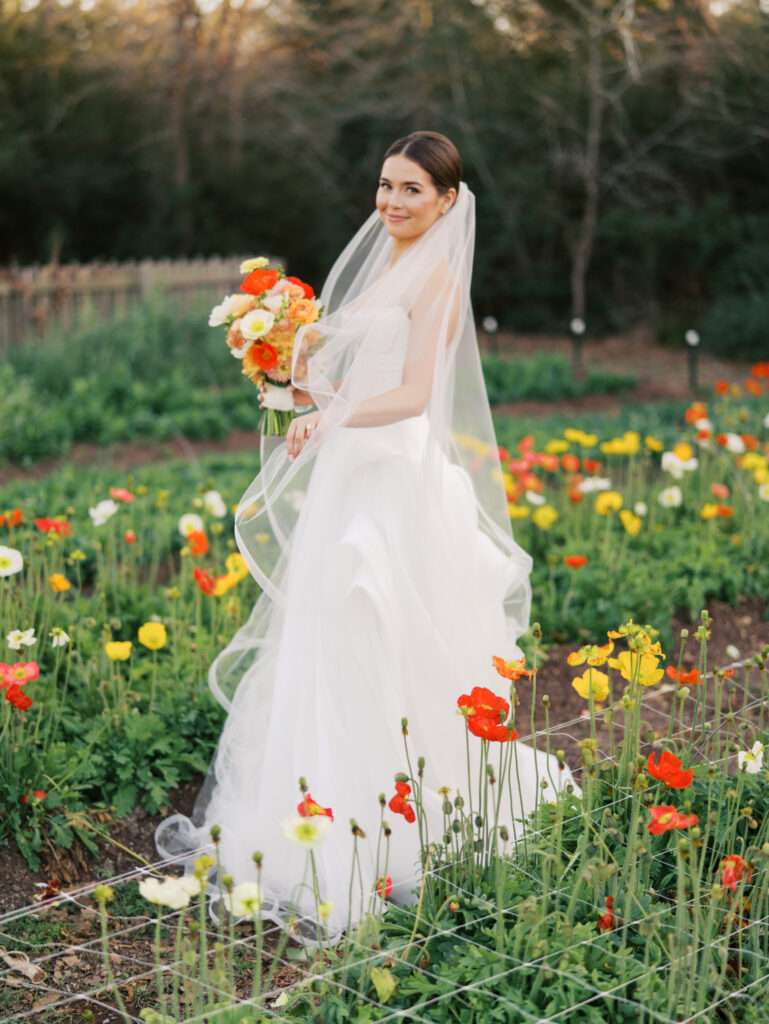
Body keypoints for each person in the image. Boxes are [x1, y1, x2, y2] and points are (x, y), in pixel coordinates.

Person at [156, 131, 572, 938]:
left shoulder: (437, 278)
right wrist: (291, 382)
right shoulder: (382, 265)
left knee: (379, 627)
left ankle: (389, 828)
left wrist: (333, 414)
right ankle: (315, 797)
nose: (392, 201)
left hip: (395, 476)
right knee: (329, 636)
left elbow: (412, 394)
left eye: (411, 189)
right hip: (350, 469)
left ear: (446, 201)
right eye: (385, 185)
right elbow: (350, 382)